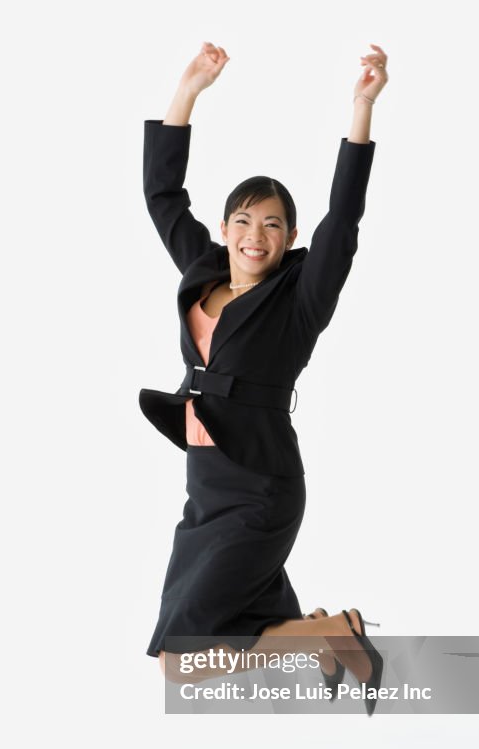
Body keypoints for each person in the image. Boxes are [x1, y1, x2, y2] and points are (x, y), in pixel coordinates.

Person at [139, 41, 389, 713]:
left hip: (260, 488)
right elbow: (162, 194)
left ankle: (334, 636)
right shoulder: (203, 269)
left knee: (180, 661)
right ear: (223, 229)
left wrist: (360, 108)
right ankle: (322, 639)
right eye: (244, 220)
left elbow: (345, 219)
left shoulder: (300, 299)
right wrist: (187, 89)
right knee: (188, 662)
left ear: (289, 236)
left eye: (272, 225)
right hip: (205, 491)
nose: (256, 234)